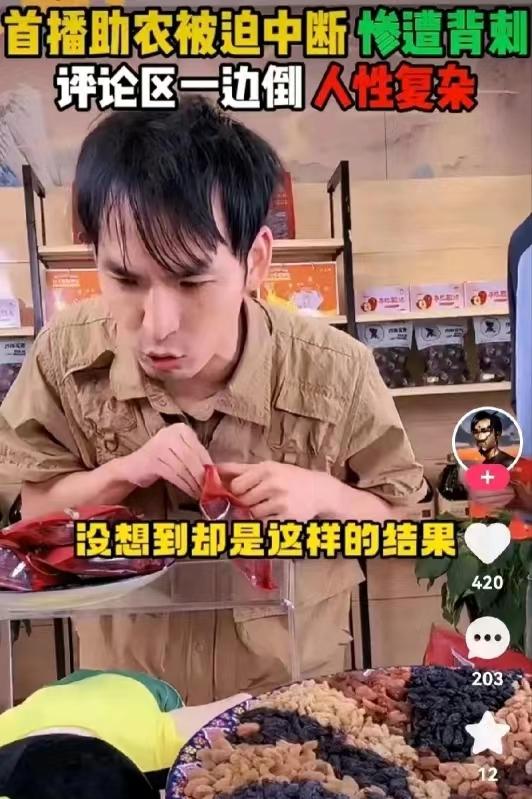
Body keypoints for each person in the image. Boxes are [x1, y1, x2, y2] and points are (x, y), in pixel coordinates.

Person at [0, 97, 426, 703]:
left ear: (255, 261)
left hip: (287, 693)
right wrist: (123, 474)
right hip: (129, 692)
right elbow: (31, 515)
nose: (157, 325)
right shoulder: (63, 357)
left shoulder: (336, 369)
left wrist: (324, 495)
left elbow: (404, 523)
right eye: (125, 279)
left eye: (192, 280)